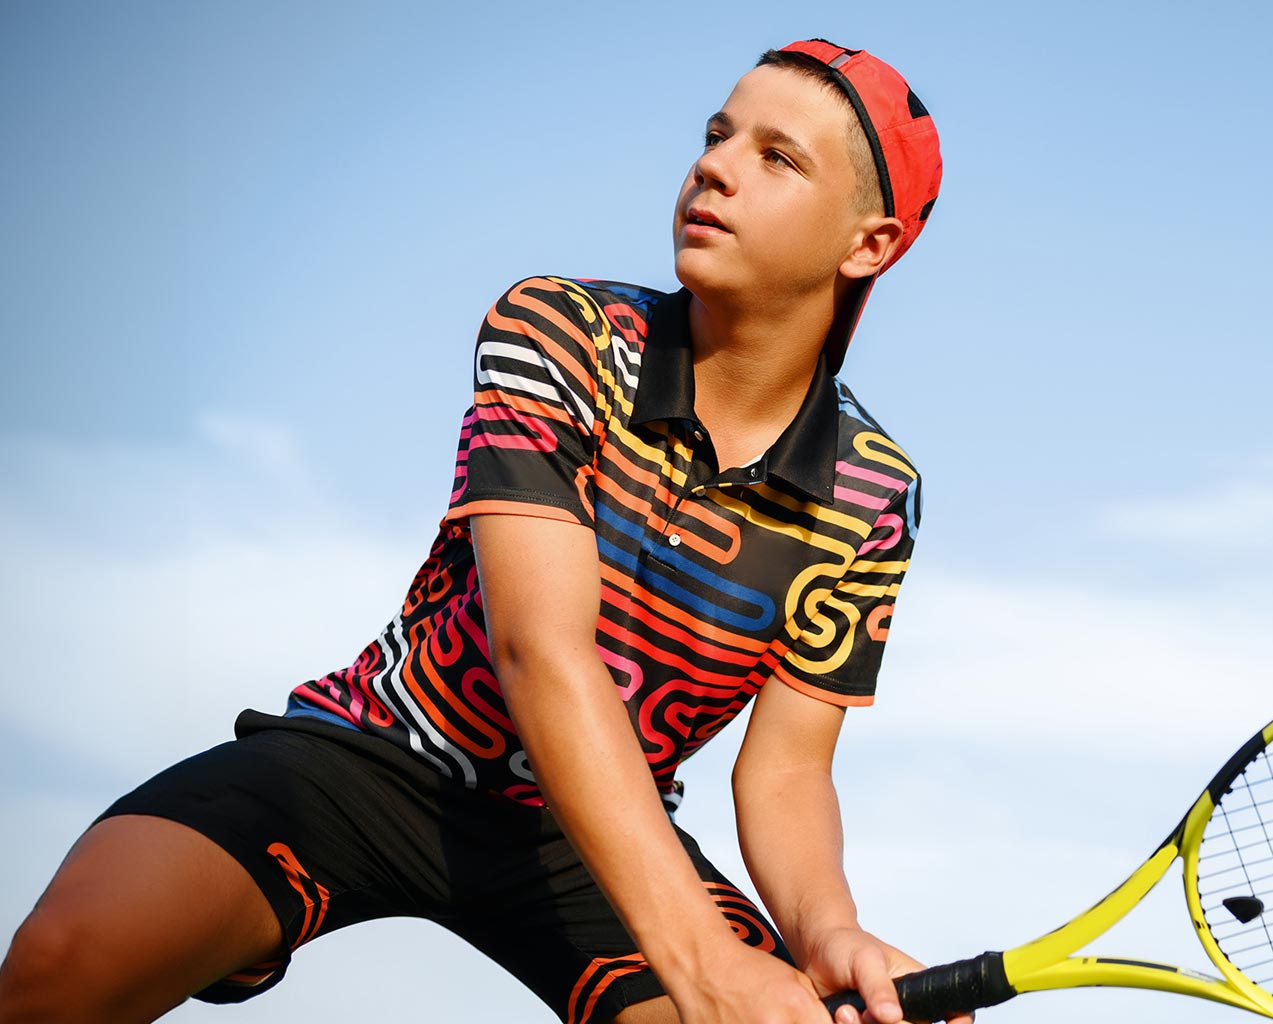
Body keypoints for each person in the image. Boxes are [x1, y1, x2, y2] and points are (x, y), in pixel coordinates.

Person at [0, 38, 953, 1024]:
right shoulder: (558, 329)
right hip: (377, 754)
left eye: (776, 156)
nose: (713, 166)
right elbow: (539, 650)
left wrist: (826, 929)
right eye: (717, 135)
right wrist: (706, 961)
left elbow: (787, 769)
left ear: (869, 245)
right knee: (63, 963)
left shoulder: (874, 492)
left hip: (596, 833)